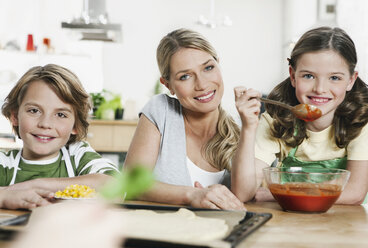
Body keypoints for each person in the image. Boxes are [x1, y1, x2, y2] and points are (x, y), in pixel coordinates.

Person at [232, 26, 368, 205]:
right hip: (292, 221)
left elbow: (354, 193)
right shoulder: (276, 120)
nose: (320, 89)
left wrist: (276, 193)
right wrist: (248, 127)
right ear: (293, 76)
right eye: (309, 76)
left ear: (351, 80)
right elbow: (243, 193)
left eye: (334, 78)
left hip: (347, 224)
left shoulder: (361, 121)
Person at [124, 28, 247, 210]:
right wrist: (192, 194)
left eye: (208, 68)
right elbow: (132, 182)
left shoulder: (244, 129)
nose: (202, 84)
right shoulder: (161, 111)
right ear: (168, 85)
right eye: (185, 76)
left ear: (218, 64)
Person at [0, 64, 119, 209]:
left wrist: (35, 185)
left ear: (75, 125)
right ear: (15, 116)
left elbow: (116, 185)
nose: (45, 124)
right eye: (34, 110)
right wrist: (4, 196)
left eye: (61, 114)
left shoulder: (77, 156)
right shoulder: (4, 164)